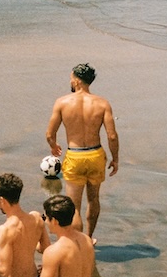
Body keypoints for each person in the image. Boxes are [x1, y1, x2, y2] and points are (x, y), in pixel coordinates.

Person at [46, 63, 119, 241]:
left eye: (71, 77)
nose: (70, 81)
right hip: (95, 155)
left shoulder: (62, 102)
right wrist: (115, 158)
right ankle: (89, 237)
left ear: (77, 80)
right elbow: (112, 136)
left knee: (74, 206)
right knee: (93, 199)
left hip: (75, 155)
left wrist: (54, 146)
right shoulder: (102, 103)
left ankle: (78, 243)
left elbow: (49, 133)